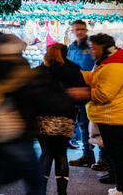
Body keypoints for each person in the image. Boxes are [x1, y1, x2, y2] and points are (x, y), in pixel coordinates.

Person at [0, 33, 72, 195]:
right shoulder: (20, 66)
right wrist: (65, 102)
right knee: (33, 180)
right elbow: (34, 97)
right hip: (18, 132)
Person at [35, 43, 87, 195]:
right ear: (66, 55)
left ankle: (40, 190)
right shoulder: (74, 70)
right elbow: (82, 97)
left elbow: (31, 96)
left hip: (42, 119)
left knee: (46, 153)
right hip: (65, 118)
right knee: (61, 153)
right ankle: (62, 192)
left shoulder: (38, 71)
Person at [80, 33, 123, 195]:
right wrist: (80, 75)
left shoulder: (115, 65)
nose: (91, 51)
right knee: (117, 156)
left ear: (104, 47)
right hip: (113, 117)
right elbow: (96, 79)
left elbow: (104, 94)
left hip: (115, 118)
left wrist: (83, 93)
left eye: (94, 48)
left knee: (120, 157)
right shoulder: (109, 62)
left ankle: (122, 189)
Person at [67, 20, 98, 168]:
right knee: (82, 124)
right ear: (72, 31)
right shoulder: (71, 47)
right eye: (77, 29)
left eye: (83, 29)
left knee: (97, 125)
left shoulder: (92, 46)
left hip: (92, 90)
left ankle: (104, 159)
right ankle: (87, 155)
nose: (80, 32)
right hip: (77, 91)